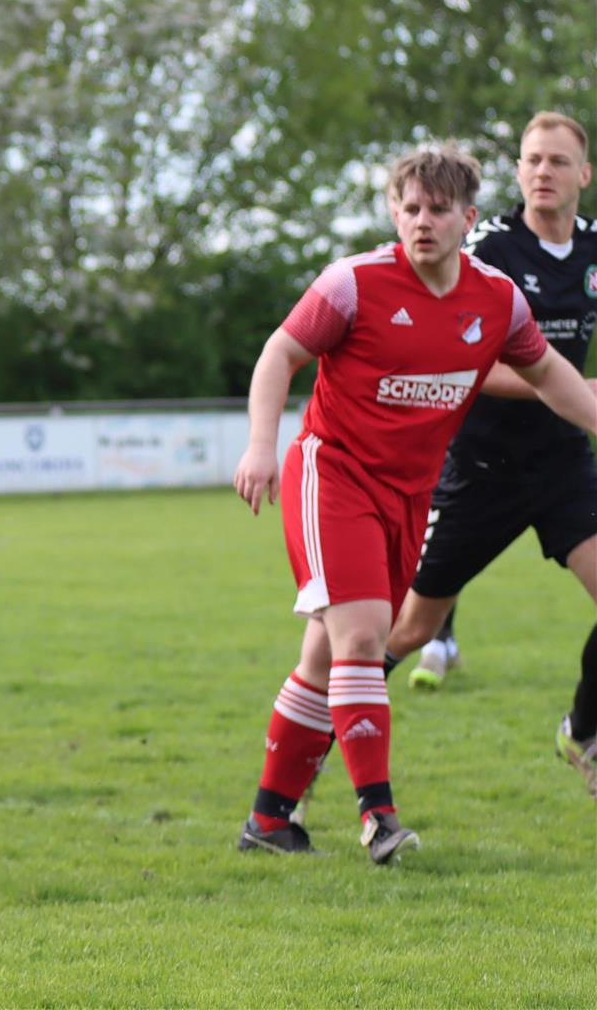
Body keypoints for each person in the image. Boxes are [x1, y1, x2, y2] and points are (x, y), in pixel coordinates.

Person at [230, 144, 597, 862]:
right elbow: (280, 354)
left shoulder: (496, 299)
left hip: (410, 493)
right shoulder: (353, 284)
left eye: (436, 210)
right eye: (409, 209)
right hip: (332, 474)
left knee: (325, 656)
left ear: (467, 217)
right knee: (367, 637)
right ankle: (379, 817)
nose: (420, 222)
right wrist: (259, 445)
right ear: (394, 212)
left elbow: (554, 377)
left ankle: (270, 822)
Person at [390, 113, 597, 745]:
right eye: (532, 160)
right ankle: (313, 739)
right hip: (482, 466)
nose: (543, 172)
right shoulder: (490, 248)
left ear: (583, 176)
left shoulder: (594, 246)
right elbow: (462, 365)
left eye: (557, 161)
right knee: (413, 631)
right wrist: (573, 390)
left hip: (563, 462)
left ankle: (582, 735)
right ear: (517, 172)